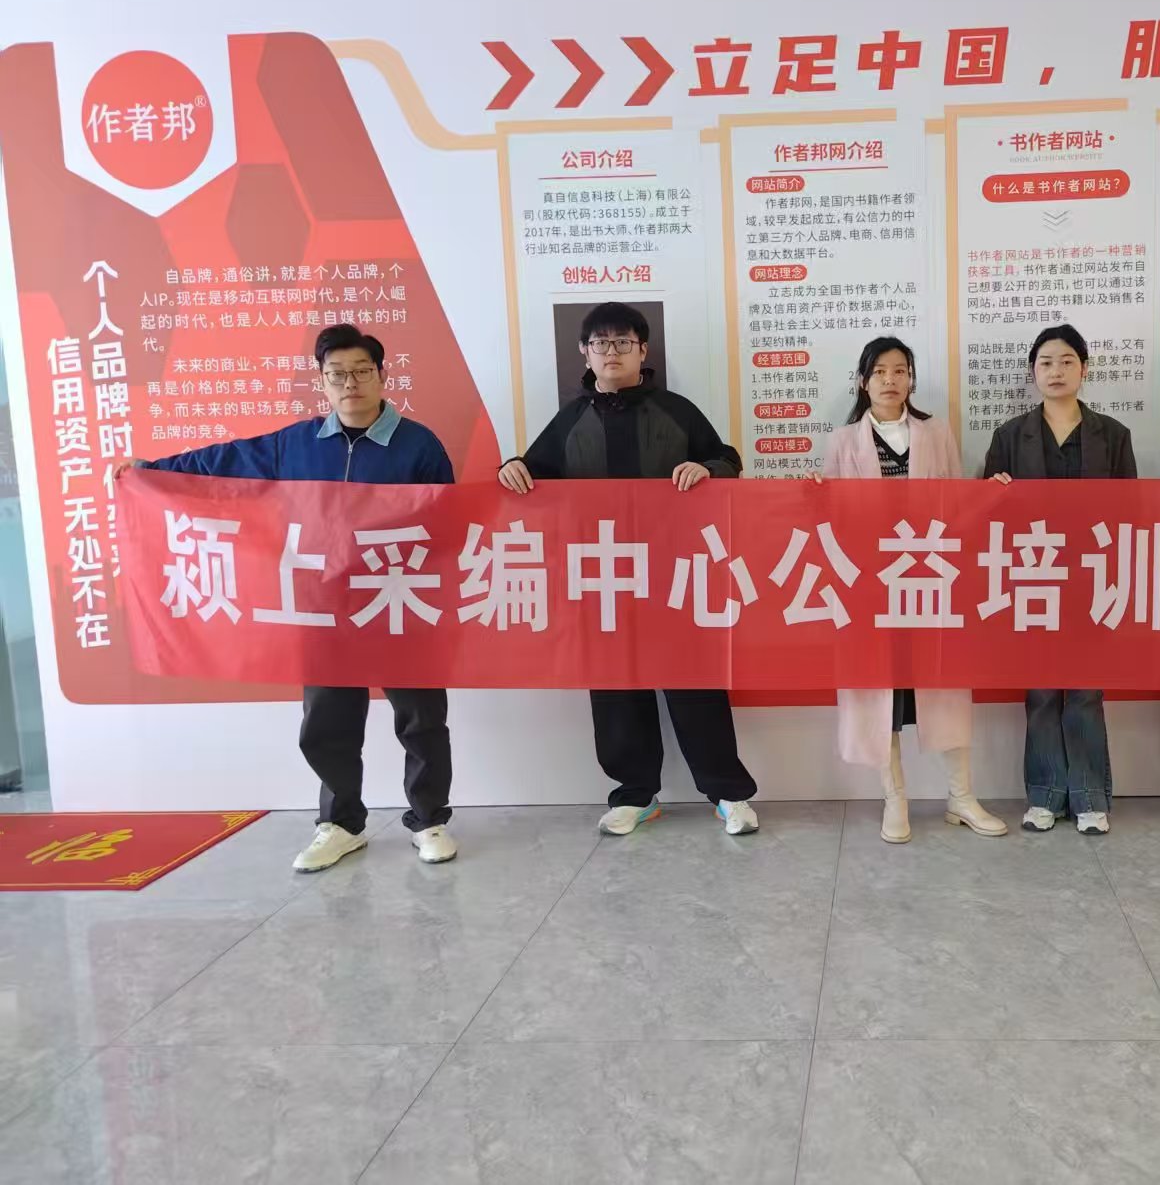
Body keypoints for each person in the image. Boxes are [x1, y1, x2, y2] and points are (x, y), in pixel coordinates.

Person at [118, 325, 460, 873]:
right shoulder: (296, 444)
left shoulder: (420, 445)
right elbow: (224, 463)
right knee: (327, 720)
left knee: (420, 718)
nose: (350, 383)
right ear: (322, 381)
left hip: (399, 601)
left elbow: (449, 525)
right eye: (336, 374)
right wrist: (151, 472)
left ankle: (428, 820)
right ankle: (341, 824)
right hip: (323, 607)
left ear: (382, 375)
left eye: (361, 371)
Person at [499, 302, 760, 837]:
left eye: (623, 342)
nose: (612, 352)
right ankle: (635, 793)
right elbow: (531, 473)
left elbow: (728, 461)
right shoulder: (570, 419)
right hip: (602, 577)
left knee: (694, 683)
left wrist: (706, 468)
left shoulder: (676, 410)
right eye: (601, 343)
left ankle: (727, 792)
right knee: (615, 689)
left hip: (675, 573)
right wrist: (511, 467)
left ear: (643, 350)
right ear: (585, 353)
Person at [816, 337, 1006, 842]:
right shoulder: (843, 441)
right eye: (880, 371)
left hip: (928, 577)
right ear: (863, 381)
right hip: (871, 587)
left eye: (900, 370)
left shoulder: (935, 432)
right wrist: (815, 495)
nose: (890, 380)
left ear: (911, 379)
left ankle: (961, 797)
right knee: (883, 697)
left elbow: (957, 503)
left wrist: (991, 494)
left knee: (945, 688)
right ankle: (894, 799)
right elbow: (832, 518)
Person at [983, 324, 1137, 835]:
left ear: (1084, 369)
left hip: (1092, 575)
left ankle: (1090, 796)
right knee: (1043, 690)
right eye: (1046, 362)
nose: (1056, 371)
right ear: (1033, 372)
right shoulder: (1009, 436)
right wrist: (993, 491)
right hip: (1035, 575)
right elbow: (988, 516)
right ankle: (1045, 795)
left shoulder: (1113, 434)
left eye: (1067, 361)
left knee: (1087, 690)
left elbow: (1130, 512)